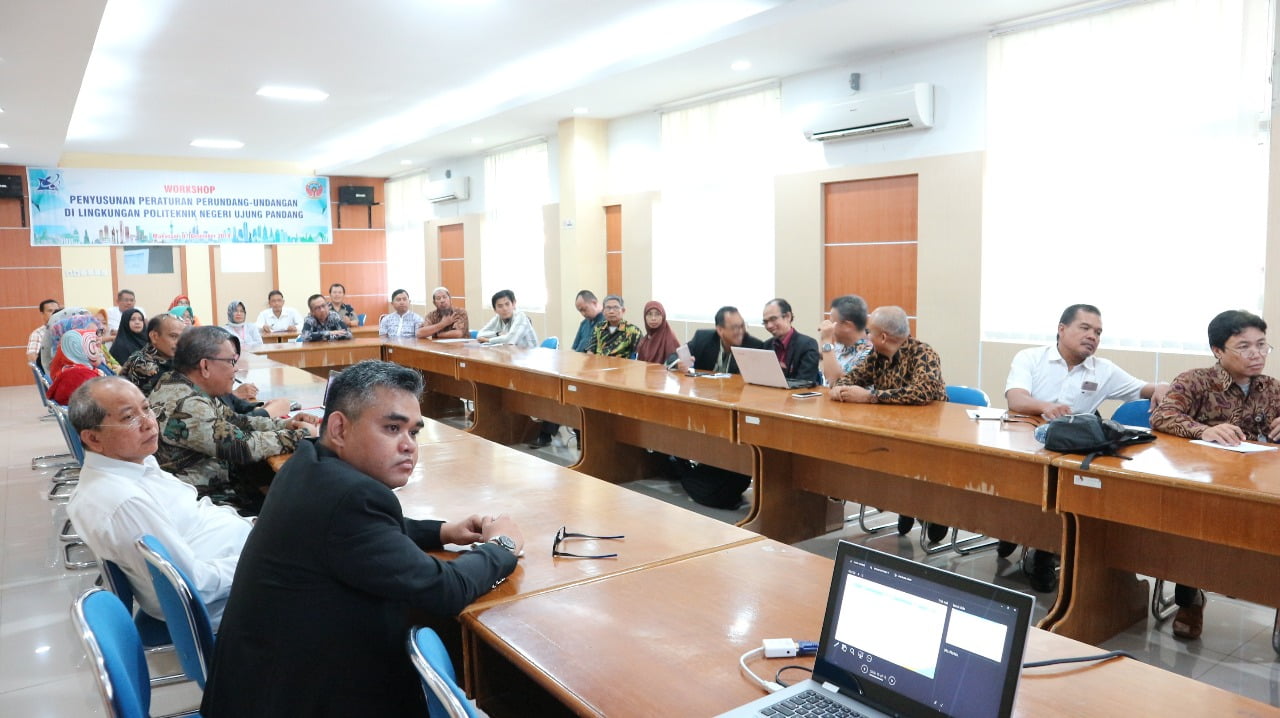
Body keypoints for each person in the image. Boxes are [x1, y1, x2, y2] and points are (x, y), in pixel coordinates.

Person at [199, 360, 523, 717]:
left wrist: (443, 531)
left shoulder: (308, 464)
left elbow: (365, 532)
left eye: (413, 432)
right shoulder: (350, 498)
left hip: (261, 685)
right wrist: (502, 547)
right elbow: (444, 590)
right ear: (339, 428)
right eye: (391, 428)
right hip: (296, 700)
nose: (409, 446)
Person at [1004, 303, 1171, 591]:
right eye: (1085, 328)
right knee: (1019, 489)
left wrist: (1164, 385)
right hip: (1026, 443)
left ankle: (1044, 553)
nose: (1092, 336)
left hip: (1070, 451)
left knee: (1073, 492)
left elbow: (1146, 388)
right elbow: (1016, 399)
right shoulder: (1031, 357)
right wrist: (1047, 407)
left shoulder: (1103, 370)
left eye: (1098, 332)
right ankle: (1012, 529)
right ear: (1062, 329)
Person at [65, 377, 252, 628]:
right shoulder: (124, 501)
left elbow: (194, 514)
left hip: (235, 556)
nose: (148, 423)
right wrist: (258, 558)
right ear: (93, 439)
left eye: (146, 408)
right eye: (128, 417)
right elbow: (192, 585)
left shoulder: (133, 462)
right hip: (228, 600)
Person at [1150, 309, 1279, 640]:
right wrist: (1201, 430)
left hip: (1259, 489)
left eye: (1262, 345)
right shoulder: (1195, 381)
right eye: (1244, 347)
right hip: (1205, 486)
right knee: (1191, 528)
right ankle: (1189, 599)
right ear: (1218, 351)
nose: (1256, 354)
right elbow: (1162, 415)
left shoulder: (1271, 387)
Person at [149, 327, 317, 512]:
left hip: (217, 488)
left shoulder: (181, 384)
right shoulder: (187, 404)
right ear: (205, 366)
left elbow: (237, 421)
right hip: (206, 502)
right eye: (231, 361)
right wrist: (303, 435)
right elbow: (243, 446)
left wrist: (285, 424)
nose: (236, 368)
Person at [830, 306, 949, 542]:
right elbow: (848, 379)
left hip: (927, 436)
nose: (866, 336)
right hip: (891, 430)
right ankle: (905, 504)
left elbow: (921, 393)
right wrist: (841, 390)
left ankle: (929, 512)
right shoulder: (877, 356)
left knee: (908, 462)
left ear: (883, 336)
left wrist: (871, 397)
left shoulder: (924, 353)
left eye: (869, 332)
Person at [528, 289, 601, 449]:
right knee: (557, 390)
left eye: (584, 309)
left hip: (596, 373)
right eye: (579, 310)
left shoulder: (604, 324)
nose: (582, 313)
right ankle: (545, 434)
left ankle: (579, 439)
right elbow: (575, 349)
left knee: (572, 394)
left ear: (594, 303)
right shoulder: (585, 324)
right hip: (579, 368)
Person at [672, 305, 764, 374]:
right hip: (705, 393)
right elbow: (673, 357)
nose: (741, 331)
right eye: (735, 327)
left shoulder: (754, 346)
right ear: (720, 330)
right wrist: (679, 364)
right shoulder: (702, 338)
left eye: (742, 326)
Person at [120, 314, 186, 397]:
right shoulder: (144, 363)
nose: (179, 342)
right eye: (173, 336)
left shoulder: (173, 358)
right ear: (154, 336)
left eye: (182, 337)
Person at [761, 298, 821, 385]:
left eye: (773, 319)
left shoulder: (807, 345)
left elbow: (805, 383)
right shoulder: (766, 345)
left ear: (788, 316)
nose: (769, 325)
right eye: (765, 322)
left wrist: (780, 374)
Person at [818, 294, 872, 385]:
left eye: (832, 323)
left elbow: (836, 382)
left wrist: (827, 341)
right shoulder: (841, 346)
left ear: (847, 326)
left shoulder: (869, 353)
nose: (830, 327)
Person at [46, 329, 109, 404]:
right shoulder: (79, 375)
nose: (99, 351)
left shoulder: (72, 370)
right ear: (79, 350)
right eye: (94, 345)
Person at [636, 300, 680, 365]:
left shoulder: (670, 337)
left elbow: (675, 364)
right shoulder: (646, 339)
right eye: (649, 314)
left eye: (657, 314)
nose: (653, 318)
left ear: (663, 316)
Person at [26, 299, 61, 365]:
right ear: (42, 314)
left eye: (56, 311)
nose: (54, 313)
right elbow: (32, 356)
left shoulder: (68, 330)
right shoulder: (38, 334)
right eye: (50, 311)